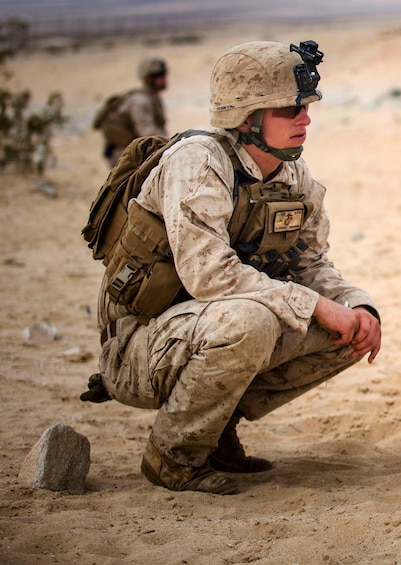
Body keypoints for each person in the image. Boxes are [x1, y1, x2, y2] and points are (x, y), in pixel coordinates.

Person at [86, 40, 382, 494]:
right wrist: (318, 307)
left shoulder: (291, 174)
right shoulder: (198, 162)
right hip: (141, 347)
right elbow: (211, 275)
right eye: (289, 109)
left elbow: (309, 262)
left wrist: (355, 305)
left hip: (207, 331)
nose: (305, 118)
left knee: (350, 329)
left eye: (305, 106)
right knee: (253, 321)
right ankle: (173, 457)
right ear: (247, 118)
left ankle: (215, 433)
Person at [94, 57, 169, 165]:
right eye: (159, 76)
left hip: (136, 151)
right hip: (125, 155)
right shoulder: (140, 101)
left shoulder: (153, 99)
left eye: (164, 75)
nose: (164, 79)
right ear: (148, 79)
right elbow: (149, 134)